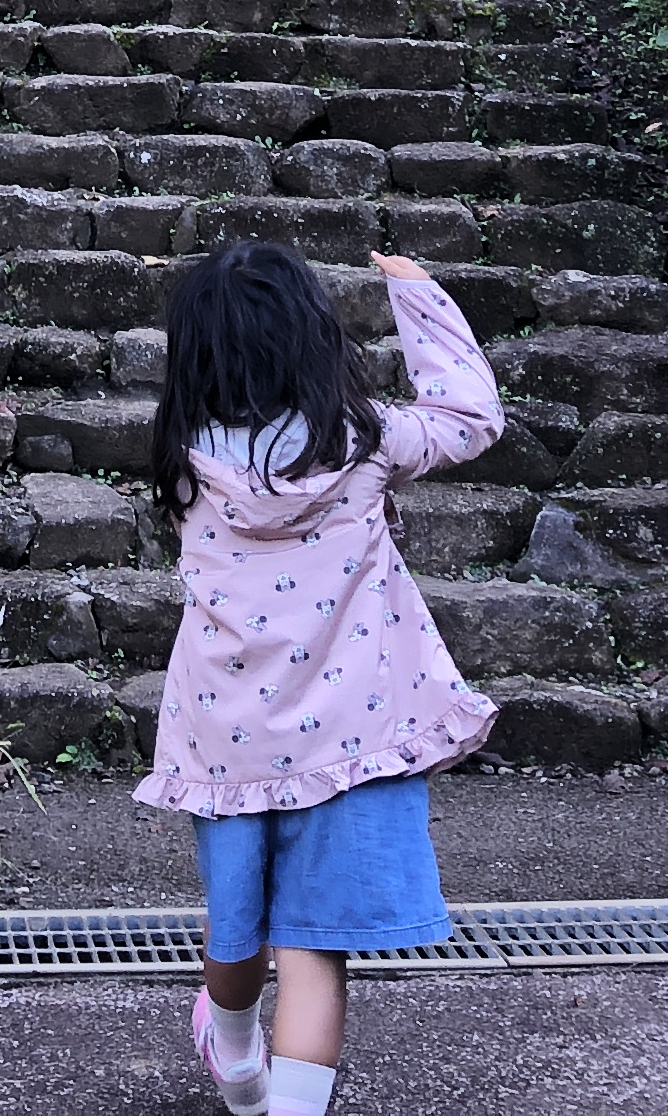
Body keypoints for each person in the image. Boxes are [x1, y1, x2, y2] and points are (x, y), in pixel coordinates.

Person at [139, 238, 502, 1116]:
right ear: (313, 341)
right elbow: (471, 416)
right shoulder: (366, 442)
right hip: (353, 733)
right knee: (313, 952)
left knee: (237, 930)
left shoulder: (184, 458)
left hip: (228, 745)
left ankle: (232, 1055)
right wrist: (417, 295)